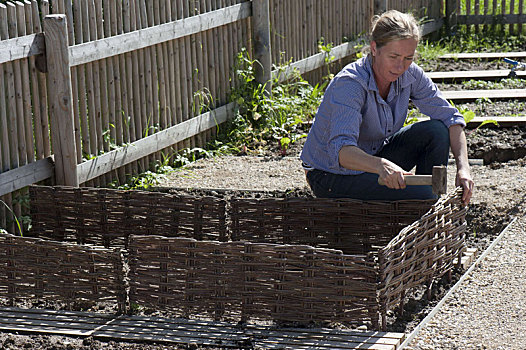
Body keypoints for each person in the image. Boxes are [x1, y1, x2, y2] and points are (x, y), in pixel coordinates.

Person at [300, 10, 474, 205]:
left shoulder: (411, 75)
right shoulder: (350, 84)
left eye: (408, 58)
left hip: (372, 159)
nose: (401, 66)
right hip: (330, 174)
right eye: (394, 56)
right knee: (422, 193)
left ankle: (427, 206)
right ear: (374, 49)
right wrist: (382, 165)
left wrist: (463, 167)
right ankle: (425, 205)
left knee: (436, 130)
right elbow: (342, 151)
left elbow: (451, 118)